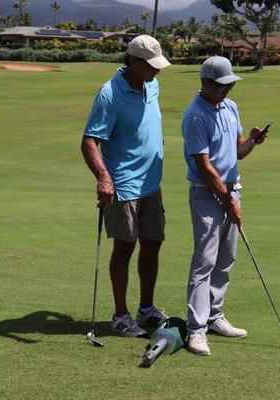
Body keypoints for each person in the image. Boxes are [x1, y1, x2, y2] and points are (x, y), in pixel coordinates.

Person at [81, 35, 171, 337]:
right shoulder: (109, 94)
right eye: (151, 66)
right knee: (125, 247)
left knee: (153, 243)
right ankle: (121, 315)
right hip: (123, 185)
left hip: (151, 183)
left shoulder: (152, 84)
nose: (156, 71)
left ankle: (146, 309)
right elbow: (89, 141)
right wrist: (103, 177)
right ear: (132, 61)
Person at [181, 56, 269, 355]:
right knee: (204, 261)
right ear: (205, 82)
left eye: (230, 85)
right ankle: (196, 329)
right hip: (206, 193)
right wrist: (228, 200)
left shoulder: (230, 107)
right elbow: (205, 168)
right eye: (221, 86)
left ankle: (215, 316)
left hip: (232, 189)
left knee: (226, 259)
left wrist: (253, 142)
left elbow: (237, 150)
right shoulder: (195, 116)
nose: (227, 91)